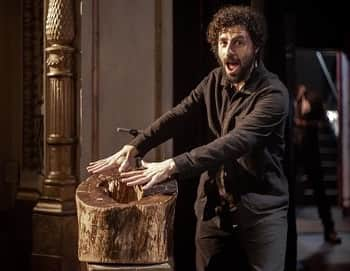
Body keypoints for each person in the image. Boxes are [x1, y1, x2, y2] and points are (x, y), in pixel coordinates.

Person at [87, 5, 290, 271]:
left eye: (239, 42)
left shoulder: (273, 94)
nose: (229, 50)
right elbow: (178, 115)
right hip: (212, 211)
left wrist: (171, 165)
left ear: (256, 47)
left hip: (262, 215)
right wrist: (136, 147)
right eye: (223, 42)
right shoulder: (214, 81)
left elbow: (234, 143)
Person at [293, 83, 341, 244]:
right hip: (294, 150)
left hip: (310, 151)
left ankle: (330, 229)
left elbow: (318, 122)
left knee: (320, 191)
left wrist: (300, 123)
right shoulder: (290, 100)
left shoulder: (313, 99)